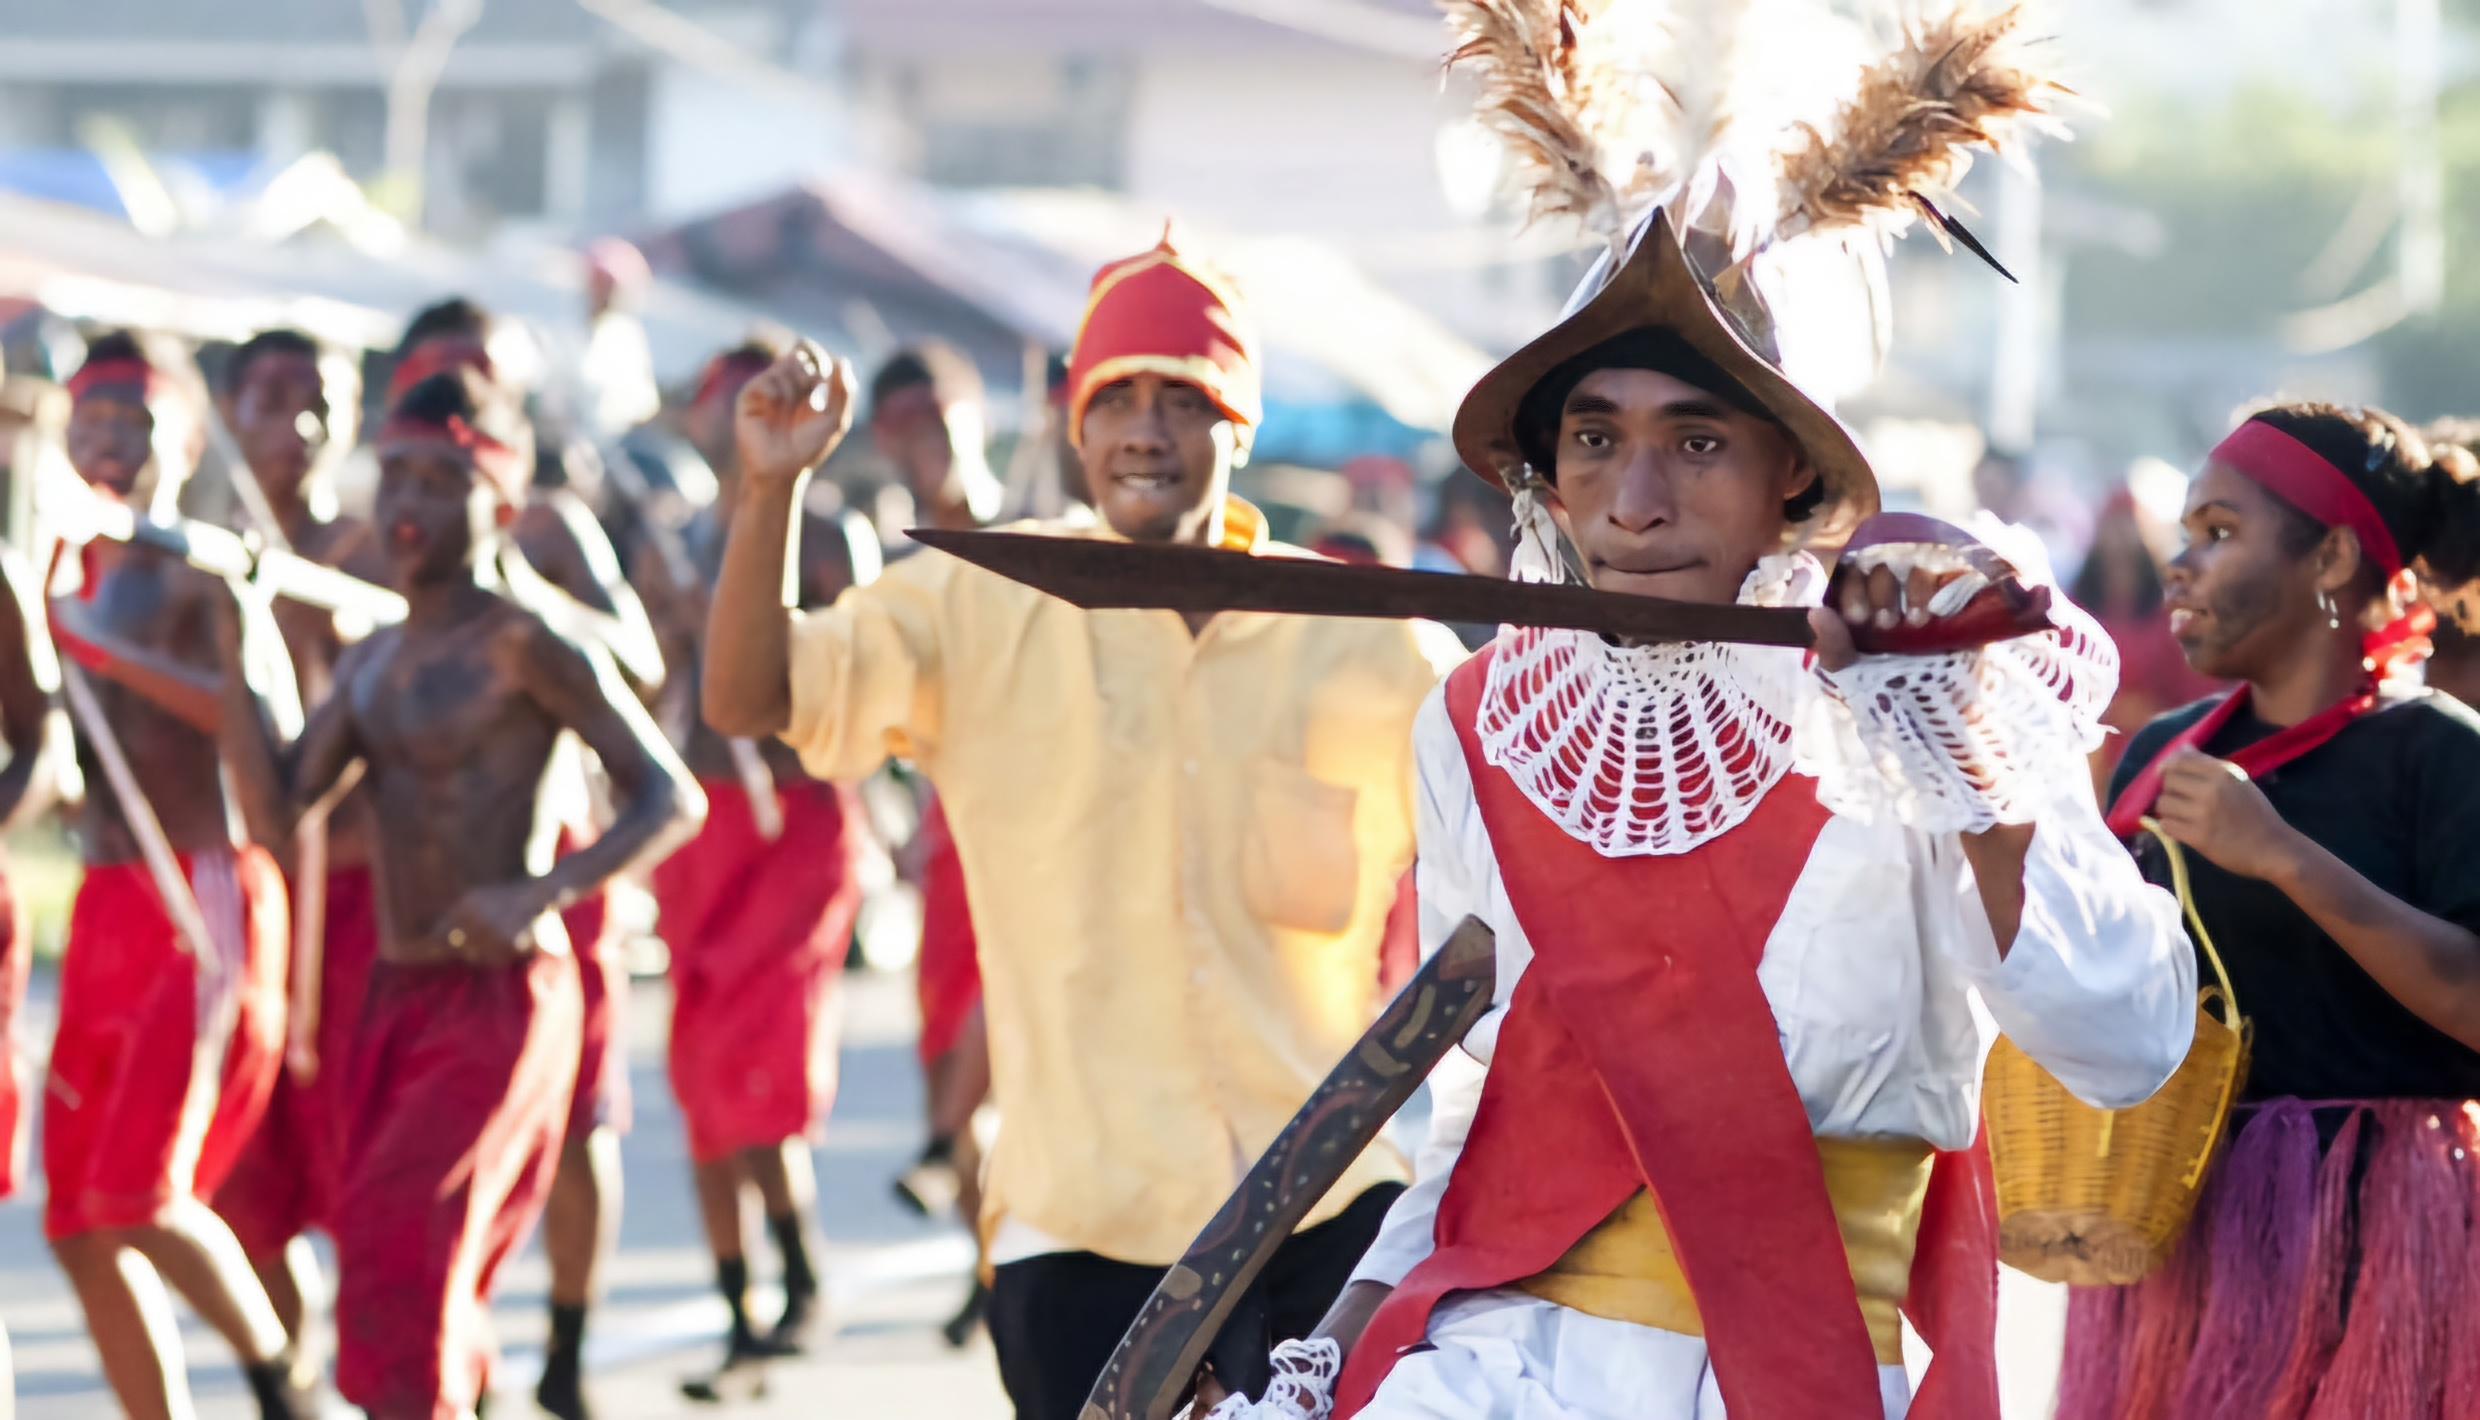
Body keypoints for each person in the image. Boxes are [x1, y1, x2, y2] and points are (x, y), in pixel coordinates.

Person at [1205, 8, 2196, 1416]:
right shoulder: (1485, 718)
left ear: (1791, 475)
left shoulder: (1920, 696)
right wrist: (1331, 1359)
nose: (1637, 497)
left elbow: (2130, 1042)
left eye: (1698, 442)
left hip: (1795, 1375)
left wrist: (1963, 755)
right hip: (1499, 1369)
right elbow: (1475, 1114)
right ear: (1545, 478)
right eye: (1595, 439)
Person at [703, 227, 1465, 1419]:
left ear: (1241, 427)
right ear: (1075, 425)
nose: (1146, 431)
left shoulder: (1371, 640)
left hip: (1326, 1213)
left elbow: (1541, 798)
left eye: (1184, 398)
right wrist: (768, 487)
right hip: (1081, 1236)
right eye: (1116, 398)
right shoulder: (981, 599)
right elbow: (752, 697)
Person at [214, 366, 703, 1420]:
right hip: (393, 996)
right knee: (396, 1256)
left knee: (406, 1247)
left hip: (499, 1000)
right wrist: (241, 624)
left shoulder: (529, 640)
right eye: (395, 479)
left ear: (503, 503)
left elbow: (672, 795)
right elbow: (276, 808)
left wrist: (542, 893)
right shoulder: (374, 662)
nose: (407, 506)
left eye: (440, 481)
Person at [2056, 404, 2480, 1420]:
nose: (2179, 564)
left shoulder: (2437, 753)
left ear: (2330, 556)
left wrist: (2281, 855)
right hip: (2179, 1220)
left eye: (2218, 532)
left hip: (2378, 1227)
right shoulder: (2164, 749)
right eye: (2184, 532)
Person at [392, 297, 664, 1414]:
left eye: (483, 373)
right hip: (408, 880)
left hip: (551, 864)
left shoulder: (547, 525)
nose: (461, 391)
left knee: (580, 1113)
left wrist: (513, 597)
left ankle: (563, 1343)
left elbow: (640, 664)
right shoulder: (384, 521)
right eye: (440, 372)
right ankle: (446, 1348)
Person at [38, 331, 312, 1419]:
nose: (109, 446)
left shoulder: (206, 568)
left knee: (143, 1193)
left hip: (198, 894)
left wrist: (94, 650)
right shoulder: (61, 566)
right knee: (77, 1222)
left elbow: (273, 750)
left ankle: (287, 1381)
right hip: (104, 900)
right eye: (92, 423)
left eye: (135, 425)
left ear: (183, 439)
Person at [629, 340, 877, 1398]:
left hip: (796, 822)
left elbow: (854, 672)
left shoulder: (829, 537)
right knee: (699, 1070)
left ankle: (802, 1276)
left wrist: (737, 620)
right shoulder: (677, 540)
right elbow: (643, 683)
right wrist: (672, 624)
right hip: (704, 825)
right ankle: (739, 1307)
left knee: (759, 1057)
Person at [204, 326, 390, 1366]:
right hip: (250, 906)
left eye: (321, 400)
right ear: (229, 414)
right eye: (271, 399)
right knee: (249, 1189)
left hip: (367, 907)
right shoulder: (200, 558)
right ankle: (290, 1379)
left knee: (375, 1184)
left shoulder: (377, 551)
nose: (298, 425)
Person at [2071, 479, 2217, 787]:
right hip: (2083, 759)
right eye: (2113, 526)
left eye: (2128, 525)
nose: (2120, 538)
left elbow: (2194, 693)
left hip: (2152, 758)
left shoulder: (2173, 612)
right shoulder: (2074, 608)